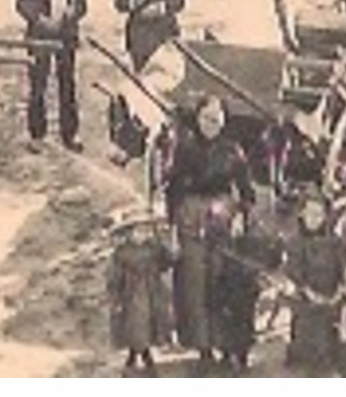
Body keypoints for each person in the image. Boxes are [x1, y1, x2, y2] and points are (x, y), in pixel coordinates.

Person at [165, 96, 254, 369]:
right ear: (197, 118)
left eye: (216, 119)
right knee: (194, 282)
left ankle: (224, 344)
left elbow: (247, 192)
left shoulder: (233, 151)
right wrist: (172, 229)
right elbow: (173, 191)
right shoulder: (184, 148)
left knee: (220, 280)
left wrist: (240, 214)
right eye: (206, 118)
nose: (211, 124)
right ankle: (202, 348)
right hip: (190, 217)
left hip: (221, 218)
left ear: (224, 121)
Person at [14, 0, 88, 152]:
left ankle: (70, 134)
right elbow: (22, 3)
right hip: (40, 36)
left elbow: (83, 5)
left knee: (67, 85)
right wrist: (39, 19)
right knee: (38, 85)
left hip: (65, 37)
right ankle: (37, 135)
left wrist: (72, 13)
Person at [284, 193, 346, 374]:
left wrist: (338, 293)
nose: (314, 219)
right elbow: (295, 274)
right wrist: (310, 294)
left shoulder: (334, 241)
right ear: (302, 215)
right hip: (306, 302)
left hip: (331, 299)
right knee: (308, 356)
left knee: (331, 350)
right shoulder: (296, 242)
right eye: (310, 214)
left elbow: (342, 269)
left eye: (319, 215)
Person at [107, 207, 172, 376]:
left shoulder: (154, 248)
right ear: (129, 233)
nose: (143, 234)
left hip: (152, 291)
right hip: (132, 293)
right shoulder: (122, 253)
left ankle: (138, 355)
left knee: (150, 324)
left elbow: (167, 262)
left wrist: (161, 241)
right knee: (136, 324)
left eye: (146, 230)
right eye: (139, 231)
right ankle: (141, 356)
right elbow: (114, 277)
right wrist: (116, 297)